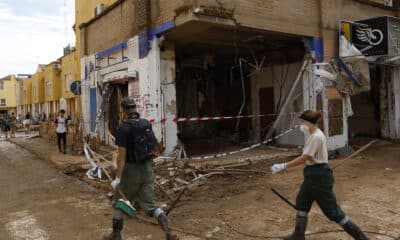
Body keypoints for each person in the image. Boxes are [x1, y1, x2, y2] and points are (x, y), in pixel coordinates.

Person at [271, 110, 369, 240]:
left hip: (319, 176)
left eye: (302, 121)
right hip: (311, 175)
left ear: (309, 123)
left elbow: (304, 157)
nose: (301, 124)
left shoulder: (317, 136)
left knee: (333, 211)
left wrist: (284, 165)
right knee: (302, 202)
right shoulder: (312, 135)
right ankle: (298, 235)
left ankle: (362, 238)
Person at [104, 98, 178, 240]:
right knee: (150, 204)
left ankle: (115, 235)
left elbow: (122, 157)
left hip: (131, 171)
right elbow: (155, 145)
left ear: (123, 110)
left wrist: (117, 178)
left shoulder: (122, 128)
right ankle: (169, 231)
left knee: (119, 202)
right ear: (135, 108)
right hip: (147, 168)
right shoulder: (145, 123)